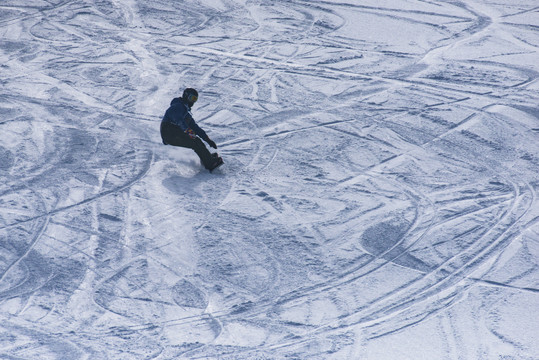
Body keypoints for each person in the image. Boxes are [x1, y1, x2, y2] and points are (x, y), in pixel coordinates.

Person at [160, 88, 223, 172]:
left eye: (195, 99)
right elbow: (178, 120)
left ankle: (207, 159)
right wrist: (188, 131)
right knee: (195, 142)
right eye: (192, 98)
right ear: (186, 96)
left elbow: (195, 127)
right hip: (169, 131)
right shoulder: (178, 106)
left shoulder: (185, 112)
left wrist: (207, 139)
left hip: (173, 132)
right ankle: (210, 163)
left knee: (197, 140)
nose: (193, 102)